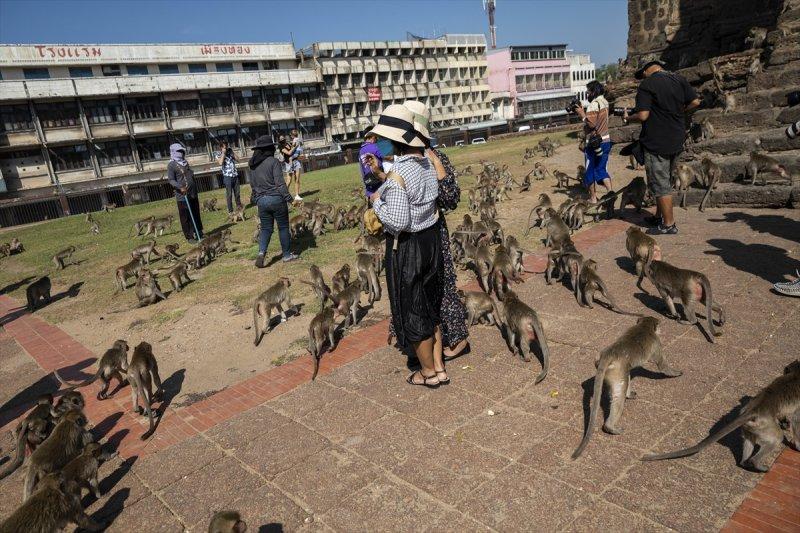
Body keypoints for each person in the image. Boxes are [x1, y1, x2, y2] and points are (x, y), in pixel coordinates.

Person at [364, 104, 443, 387]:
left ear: (394, 141)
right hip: (430, 238)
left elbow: (397, 221)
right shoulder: (425, 164)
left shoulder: (399, 173)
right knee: (431, 302)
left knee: (414, 307)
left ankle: (428, 373)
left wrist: (377, 204)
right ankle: (439, 366)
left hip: (408, 246)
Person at [624, 60, 700, 235]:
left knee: (659, 182)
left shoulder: (647, 84)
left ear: (646, 70)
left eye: (641, 74)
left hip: (656, 140)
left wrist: (629, 117)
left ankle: (668, 224)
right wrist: (682, 111)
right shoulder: (679, 79)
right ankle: (659, 216)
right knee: (664, 180)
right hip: (677, 137)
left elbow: (643, 115)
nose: (642, 77)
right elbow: (695, 102)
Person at [249, 135, 298, 267]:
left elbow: (253, 186)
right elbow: (280, 184)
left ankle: (261, 253)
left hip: (261, 201)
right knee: (282, 227)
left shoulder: (252, 165)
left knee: (265, 229)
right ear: (269, 149)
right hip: (276, 199)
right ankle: (287, 255)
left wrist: (257, 199)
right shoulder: (273, 162)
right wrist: (289, 199)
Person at [574, 80, 612, 203]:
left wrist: (582, 114)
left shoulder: (593, 104)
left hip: (594, 143)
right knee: (601, 169)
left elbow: (591, 124)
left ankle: (593, 198)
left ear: (593, 91)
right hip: (606, 140)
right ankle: (611, 193)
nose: (587, 94)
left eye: (588, 92)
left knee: (590, 170)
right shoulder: (605, 102)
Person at [167, 143, 203, 242]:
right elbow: (171, 180)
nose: (182, 153)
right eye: (179, 151)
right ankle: (189, 236)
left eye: (182, 151)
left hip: (192, 192)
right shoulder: (171, 165)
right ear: (174, 152)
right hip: (182, 196)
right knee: (185, 216)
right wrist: (180, 187)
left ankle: (198, 231)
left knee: (196, 212)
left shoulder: (185, 162)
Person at [215, 141, 242, 214]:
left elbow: (239, 160)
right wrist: (223, 153)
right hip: (227, 177)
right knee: (229, 194)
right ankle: (230, 211)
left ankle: (239, 208)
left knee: (237, 193)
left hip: (235, 175)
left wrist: (233, 153)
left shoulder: (230, 152)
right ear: (221, 147)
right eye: (224, 147)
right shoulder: (218, 154)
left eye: (226, 146)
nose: (226, 148)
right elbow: (220, 163)